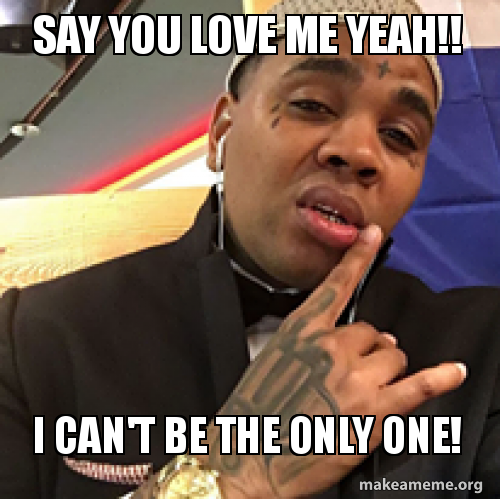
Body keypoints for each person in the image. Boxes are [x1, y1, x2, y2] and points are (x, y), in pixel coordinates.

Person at [0, 0, 499, 498]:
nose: (359, 152)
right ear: (221, 132)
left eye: (398, 136)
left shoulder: (481, 351)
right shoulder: (32, 340)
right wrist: (227, 477)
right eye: (312, 105)